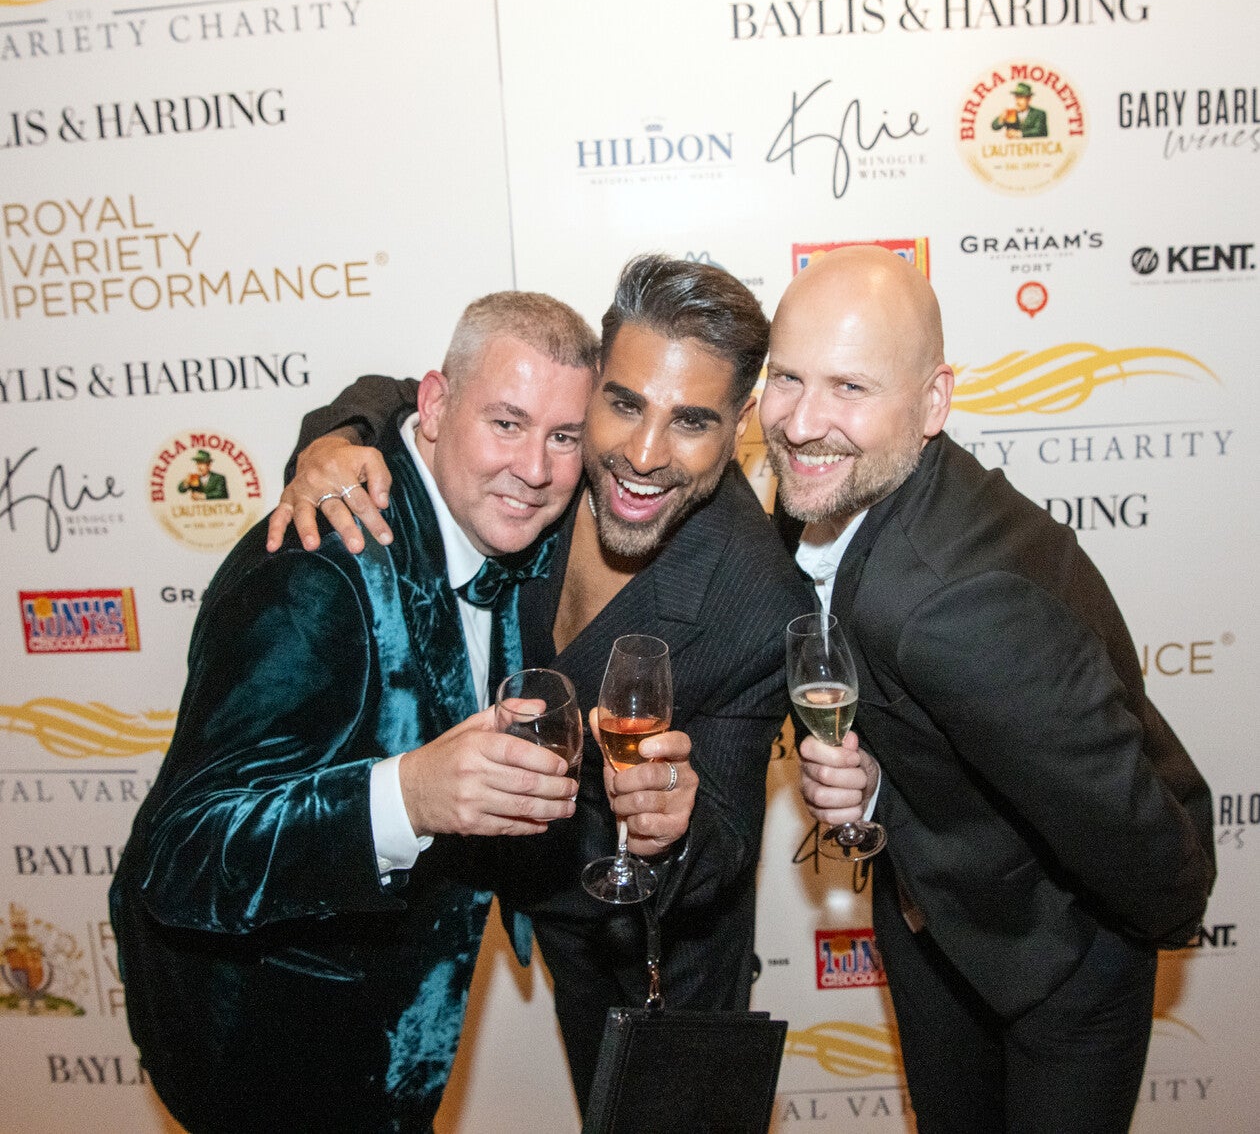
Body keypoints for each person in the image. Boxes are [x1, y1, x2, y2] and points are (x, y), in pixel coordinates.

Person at [274, 254, 815, 1110]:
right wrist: (335, 440)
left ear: (739, 423)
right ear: (593, 388)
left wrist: (678, 823)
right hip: (551, 901)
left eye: (691, 421)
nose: (643, 455)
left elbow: (728, 838)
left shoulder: (756, 599)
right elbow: (419, 394)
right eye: (624, 404)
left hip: (661, 955)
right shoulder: (546, 472)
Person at [109, 291, 610, 1133]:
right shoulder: (318, 571)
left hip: (399, 1032)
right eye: (507, 423)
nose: (535, 468)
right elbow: (182, 854)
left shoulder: (503, 523)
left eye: (565, 437)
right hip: (272, 1051)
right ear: (436, 406)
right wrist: (406, 797)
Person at [761, 245, 1215, 1134]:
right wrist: (880, 786)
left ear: (934, 402)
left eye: (850, 387)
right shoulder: (829, 488)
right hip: (937, 931)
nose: (803, 423)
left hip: (1059, 964)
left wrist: (1127, 943)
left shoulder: (950, 603)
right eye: (787, 377)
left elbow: (1139, 838)